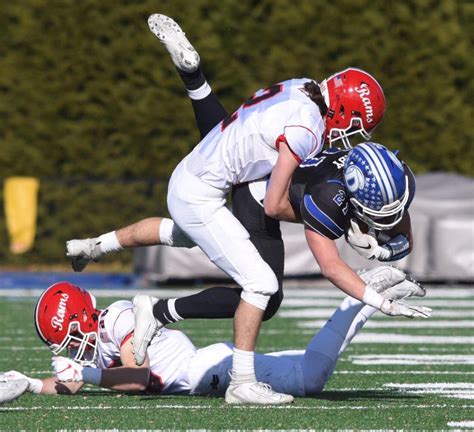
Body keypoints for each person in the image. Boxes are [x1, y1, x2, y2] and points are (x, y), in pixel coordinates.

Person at [66, 14, 414, 405]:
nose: (351, 139)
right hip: (200, 193)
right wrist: (323, 221)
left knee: (180, 234)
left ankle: (96, 244)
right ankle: (236, 377)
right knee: (262, 285)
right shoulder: (309, 129)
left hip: (205, 166)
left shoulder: (302, 86)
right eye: (356, 129)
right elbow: (274, 203)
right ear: (343, 113)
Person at [0, 268, 428, 401]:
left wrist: (88, 376)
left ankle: (359, 295)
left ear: (83, 317)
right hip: (202, 371)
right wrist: (30, 383)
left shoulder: (117, 319)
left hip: (206, 369)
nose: (70, 349)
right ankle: (363, 297)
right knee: (304, 368)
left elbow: (137, 378)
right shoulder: (91, 340)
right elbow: (72, 380)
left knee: (310, 378)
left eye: (69, 338)